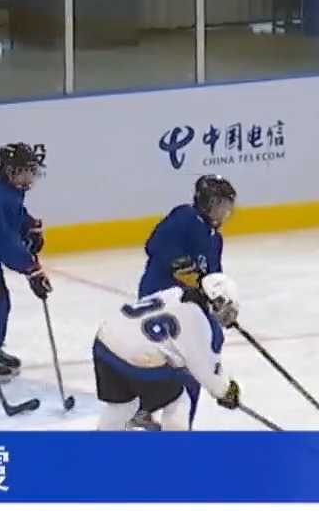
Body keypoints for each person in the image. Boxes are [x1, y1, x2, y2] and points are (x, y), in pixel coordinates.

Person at [131, 174, 235, 427]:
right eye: (220, 205)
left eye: (227, 206)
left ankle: (162, 415)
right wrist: (177, 262)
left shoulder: (215, 239)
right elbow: (153, 244)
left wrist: (220, 302)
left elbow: (212, 278)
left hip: (186, 307)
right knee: (178, 360)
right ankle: (150, 411)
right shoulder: (185, 217)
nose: (225, 212)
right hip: (160, 298)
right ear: (207, 202)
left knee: (205, 346)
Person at [91, 274, 242, 432]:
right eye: (227, 309)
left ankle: (101, 442)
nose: (227, 316)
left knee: (123, 406)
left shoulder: (174, 292)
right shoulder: (199, 322)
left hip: (105, 344)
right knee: (178, 400)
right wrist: (226, 391)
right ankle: (175, 446)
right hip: (136, 360)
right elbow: (206, 372)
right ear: (216, 301)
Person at [0, 142, 51, 376]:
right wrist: (31, 268)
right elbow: (4, 241)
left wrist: (28, 225)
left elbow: (15, 215)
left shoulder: (8, 189)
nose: (30, 176)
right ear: (11, 170)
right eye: (26, 171)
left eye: (32, 170)